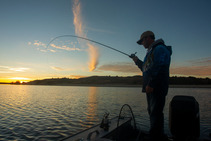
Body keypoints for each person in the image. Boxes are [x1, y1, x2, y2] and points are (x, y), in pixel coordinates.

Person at [131, 31, 172, 140]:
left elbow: (160, 67)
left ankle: (156, 136)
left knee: (156, 113)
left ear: (148, 38)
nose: (142, 44)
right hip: (151, 88)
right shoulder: (151, 52)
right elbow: (146, 69)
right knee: (152, 112)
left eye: (142, 41)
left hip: (156, 87)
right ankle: (156, 135)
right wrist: (136, 60)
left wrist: (151, 84)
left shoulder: (160, 49)